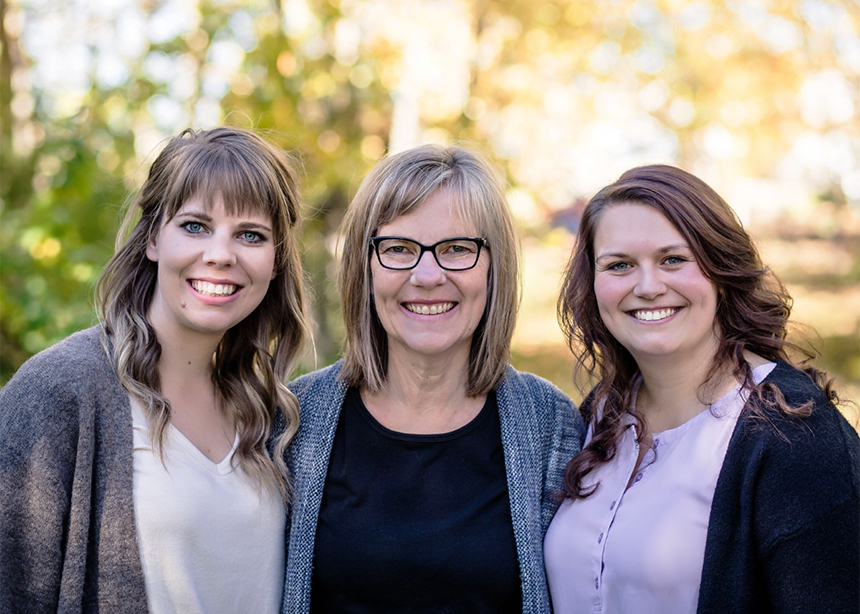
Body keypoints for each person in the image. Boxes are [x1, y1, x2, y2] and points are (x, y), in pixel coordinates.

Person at [0, 127, 311, 613]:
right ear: (151, 240)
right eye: (194, 226)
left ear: (274, 263)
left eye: (250, 235)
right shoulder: (58, 393)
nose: (220, 254)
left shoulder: (275, 414)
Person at [545, 164, 860, 613]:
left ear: (720, 269)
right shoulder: (599, 415)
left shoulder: (796, 439)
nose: (648, 286)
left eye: (673, 259)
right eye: (619, 265)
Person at [283, 144, 583, 613]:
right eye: (398, 249)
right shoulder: (294, 422)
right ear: (365, 267)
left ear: (494, 267)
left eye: (457, 249)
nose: (427, 275)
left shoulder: (550, 425)